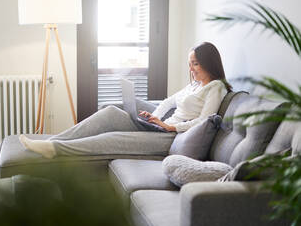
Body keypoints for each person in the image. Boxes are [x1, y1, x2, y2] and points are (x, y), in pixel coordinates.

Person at [19, 42, 232, 159]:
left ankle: (55, 149)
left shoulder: (216, 88)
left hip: (171, 138)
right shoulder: (195, 85)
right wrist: (155, 116)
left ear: (208, 63)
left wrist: (171, 126)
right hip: (160, 128)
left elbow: (204, 121)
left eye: (195, 64)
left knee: (111, 138)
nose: (191, 69)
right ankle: (51, 141)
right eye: (190, 64)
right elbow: (168, 101)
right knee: (111, 112)